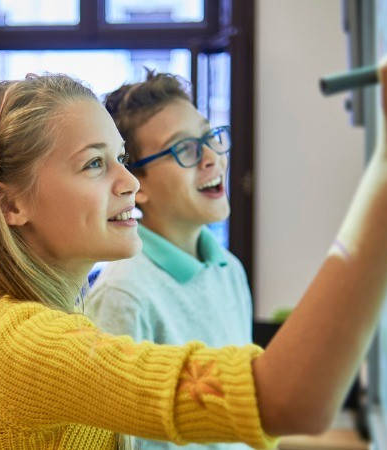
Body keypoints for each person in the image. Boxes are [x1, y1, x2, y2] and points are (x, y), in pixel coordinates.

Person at [0, 30, 387, 449]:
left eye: (122, 160)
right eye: (93, 165)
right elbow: (287, 399)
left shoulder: (35, 323)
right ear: (10, 203)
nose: (130, 183)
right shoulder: (23, 345)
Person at [85, 72, 253, 450]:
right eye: (186, 149)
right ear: (136, 181)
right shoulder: (123, 295)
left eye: (210, 138)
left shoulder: (229, 268)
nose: (212, 159)